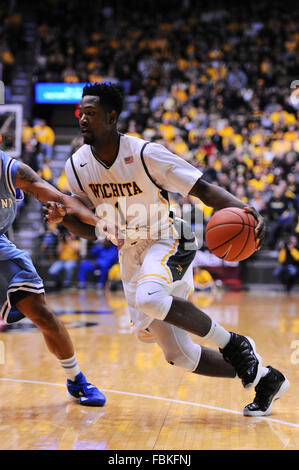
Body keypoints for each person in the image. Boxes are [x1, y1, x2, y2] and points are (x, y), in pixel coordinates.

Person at [44, 82, 289, 417]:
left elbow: (202, 189)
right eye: (80, 113)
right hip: (130, 249)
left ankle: (235, 345)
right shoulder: (76, 166)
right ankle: (265, 377)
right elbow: (91, 231)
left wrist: (246, 208)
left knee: (150, 297)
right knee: (179, 354)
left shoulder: (146, 154)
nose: (83, 119)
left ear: (112, 117)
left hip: (169, 235)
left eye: (91, 113)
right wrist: (64, 220)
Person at [0, 149, 106, 407]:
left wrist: (103, 226)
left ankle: (76, 379)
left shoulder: (12, 170)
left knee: (43, 315)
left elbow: (60, 198)